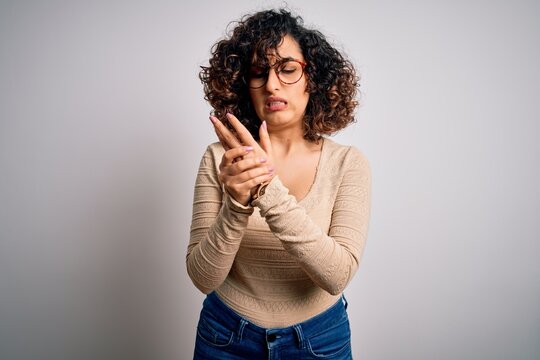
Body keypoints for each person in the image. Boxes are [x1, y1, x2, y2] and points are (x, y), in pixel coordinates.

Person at [186, 8, 371, 359]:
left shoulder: (348, 163)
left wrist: (267, 190)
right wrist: (237, 205)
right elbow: (203, 278)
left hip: (319, 341)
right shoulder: (217, 157)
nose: (271, 84)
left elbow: (337, 275)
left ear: (312, 78)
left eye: (287, 69)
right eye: (258, 73)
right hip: (225, 336)